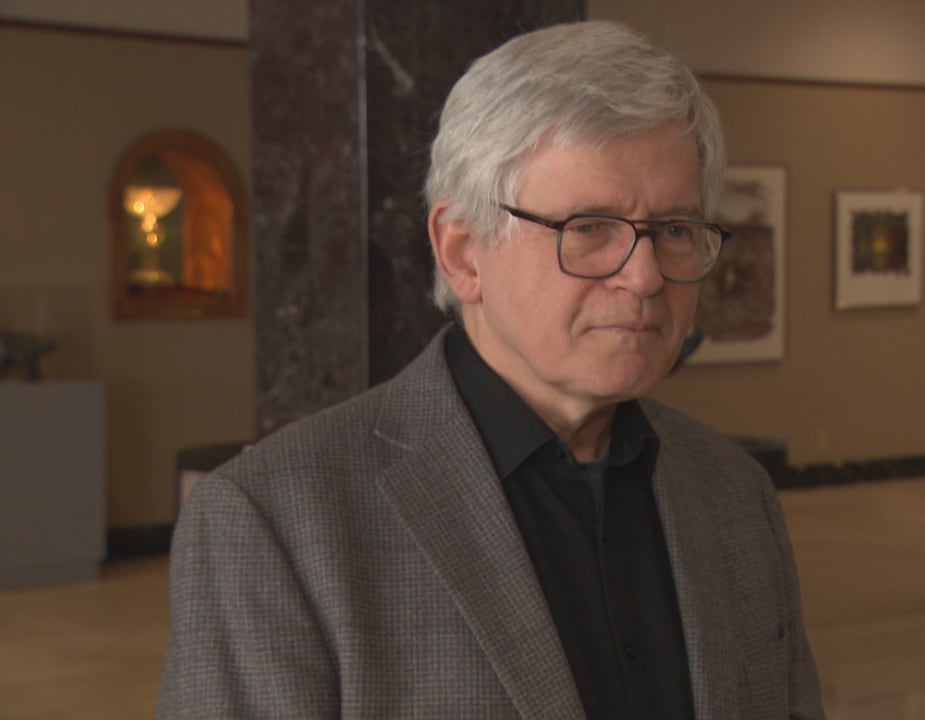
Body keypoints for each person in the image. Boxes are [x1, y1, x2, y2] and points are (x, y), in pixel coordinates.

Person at [157, 19, 824, 720]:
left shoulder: (733, 493)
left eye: (676, 231)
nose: (645, 275)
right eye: (589, 229)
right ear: (463, 252)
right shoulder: (278, 522)